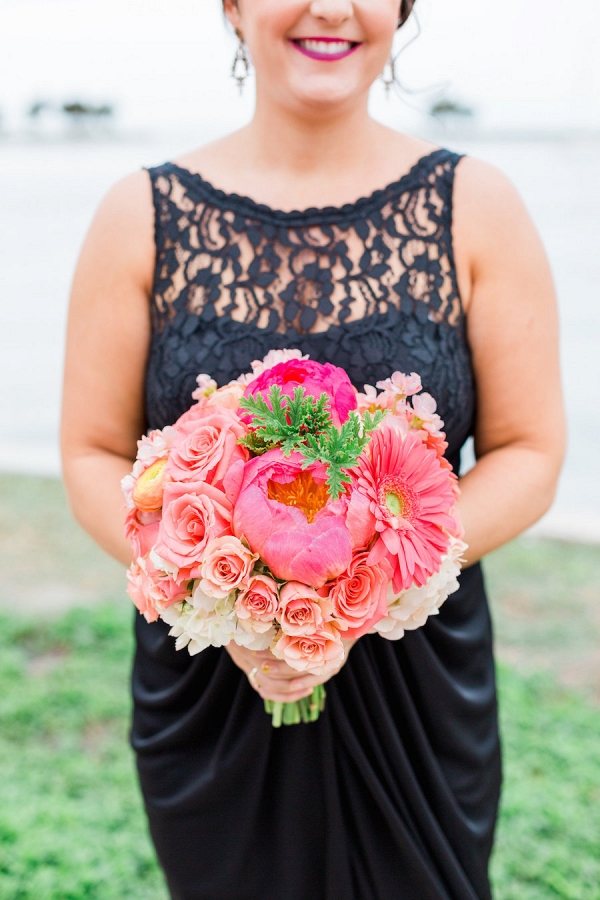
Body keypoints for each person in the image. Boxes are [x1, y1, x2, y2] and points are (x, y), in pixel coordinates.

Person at [61, 1, 565, 898]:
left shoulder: (476, 207)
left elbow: (529, 453)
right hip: (212, 688)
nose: (330, 6)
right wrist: (224, 592)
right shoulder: (138, 216)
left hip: (418, 689)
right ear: (233, 6)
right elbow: (94, 455)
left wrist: (355, 596)